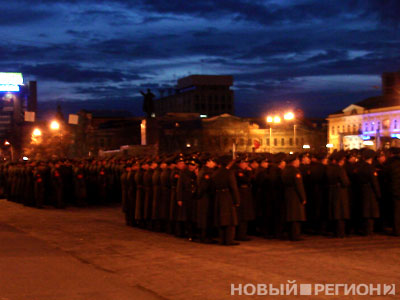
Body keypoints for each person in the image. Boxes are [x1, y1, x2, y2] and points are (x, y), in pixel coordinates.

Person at [210, 155, 241, 246]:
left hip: (218, 196)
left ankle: (222, 239)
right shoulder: (229, 173)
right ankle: (229, 240)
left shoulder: (215, 173)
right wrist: (237, 200)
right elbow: (233, 187)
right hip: (227, 197)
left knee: (221, 220)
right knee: (230, 220)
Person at [281, 154, 307, 241]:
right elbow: (299, 186)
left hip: (287, 194)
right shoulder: (295, 172)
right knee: (296, 216)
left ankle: (290, 234)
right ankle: (295, 235)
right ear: (294, 161)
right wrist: (303, 198)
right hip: (295, 195)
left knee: (290, 215)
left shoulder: (285, 170)